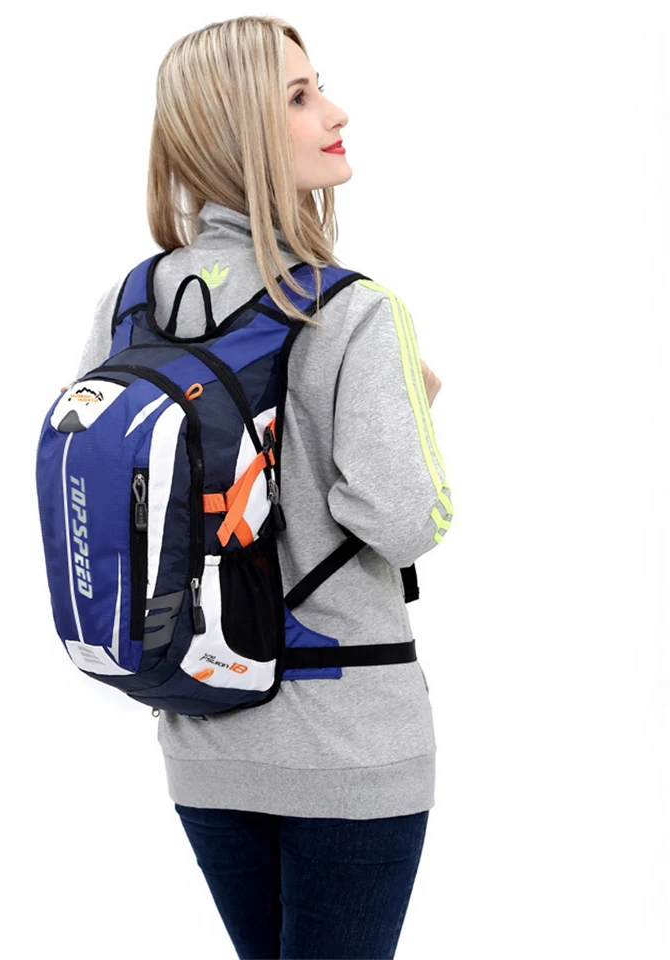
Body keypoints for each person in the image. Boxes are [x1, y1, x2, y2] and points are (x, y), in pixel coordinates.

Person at [75, 15, 453, 960]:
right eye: (299, 96)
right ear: (235, 125)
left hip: (200, 731)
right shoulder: (355, 310)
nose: (337, 112)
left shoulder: (130, 305)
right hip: (350, 746)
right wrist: (415, 412)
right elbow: (406, 520)